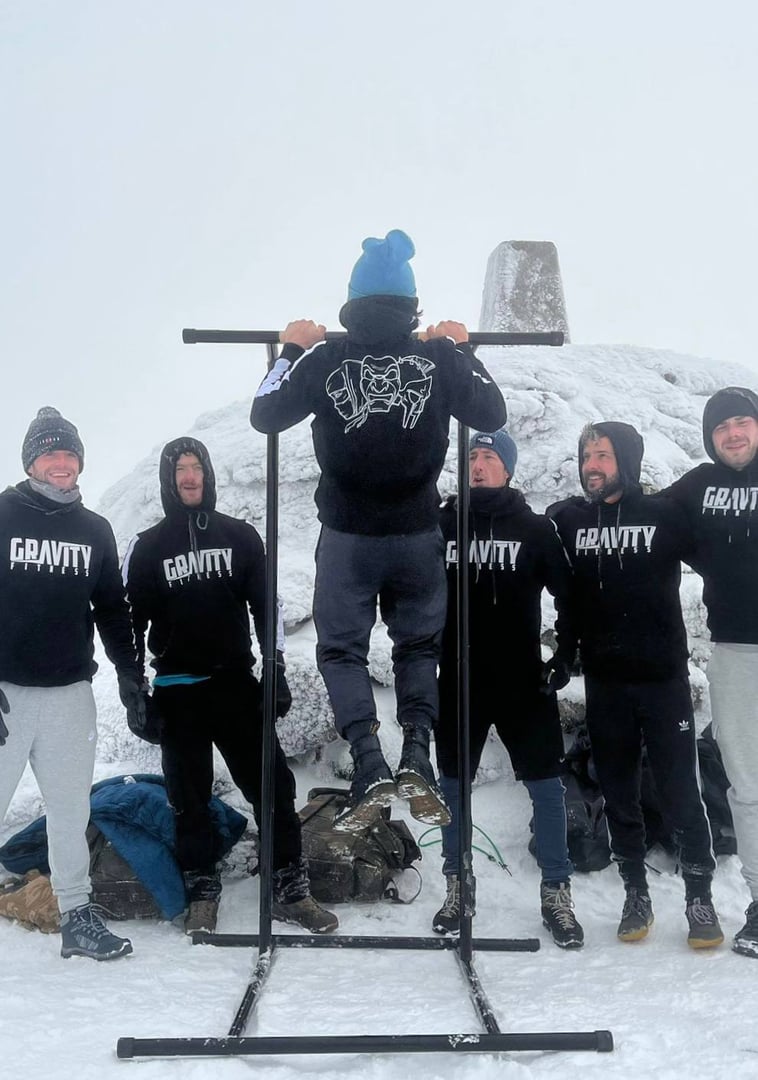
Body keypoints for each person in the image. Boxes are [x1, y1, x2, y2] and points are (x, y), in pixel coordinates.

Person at [251, 229, 507, 833]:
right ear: (409, 304)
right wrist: (461, 347)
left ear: (353, 300)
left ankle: (370, 763)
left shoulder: (326, 360)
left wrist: (289, 350)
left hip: (347, 538)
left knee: (342, 650)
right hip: (417, 534)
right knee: (419, 647)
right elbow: (492, 413)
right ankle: (416, 752)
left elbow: (265, 412)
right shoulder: (437, 357)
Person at [122, 436, 338, 935]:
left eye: (196, 467)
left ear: (209, 474)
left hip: (235, 684)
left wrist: (276, 667)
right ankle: (201, 887)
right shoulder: (149, 546)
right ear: (167, 480)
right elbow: (129, 623)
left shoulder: (241, 536)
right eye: (179, 470)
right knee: (188, 796)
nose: (189, 477)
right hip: (177, 690)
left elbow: (267, 607)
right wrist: (133, 688)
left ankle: (289, 884)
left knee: (273, 786)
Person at [548, 421, 723, 949]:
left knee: (679, 790)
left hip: (663, 679)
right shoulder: (568, 521)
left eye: (602, 455)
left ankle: (700, 896)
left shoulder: (665, 515)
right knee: (619, 791)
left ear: (626, 460)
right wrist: (563, 652)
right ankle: (635, 892)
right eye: (586, 457)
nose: (592, 466)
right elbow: (563, 595)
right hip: (607, 682)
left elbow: (722, 562)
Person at [433, 429, 584, 948]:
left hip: (522, 680)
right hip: (458, 679)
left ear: (508, 468)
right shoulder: (443, 524)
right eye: (472, 456)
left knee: (546, 788)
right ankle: (458, 884)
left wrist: (563, 656)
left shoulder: (535, 529)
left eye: (489, 457)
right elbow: (409, 587)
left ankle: (556, 892)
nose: (478, 465)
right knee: (452, 790)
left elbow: (571, 598)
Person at [0, 407, 141, 961]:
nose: (61, 463)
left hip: (69, 697)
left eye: (69, 454)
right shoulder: (3, 515)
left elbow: (112, 610)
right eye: (50, 453)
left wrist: (131, 676)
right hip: (7, 693)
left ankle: (77, 917)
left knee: (69, 811)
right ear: (31, 461)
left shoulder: (94, 529)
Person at [664, 386, 758, 957]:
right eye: (722, 427)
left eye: (743, 421)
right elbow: (644, 519)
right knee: (746, 786)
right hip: (736, 653)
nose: (734, 433)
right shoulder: (697, 488)